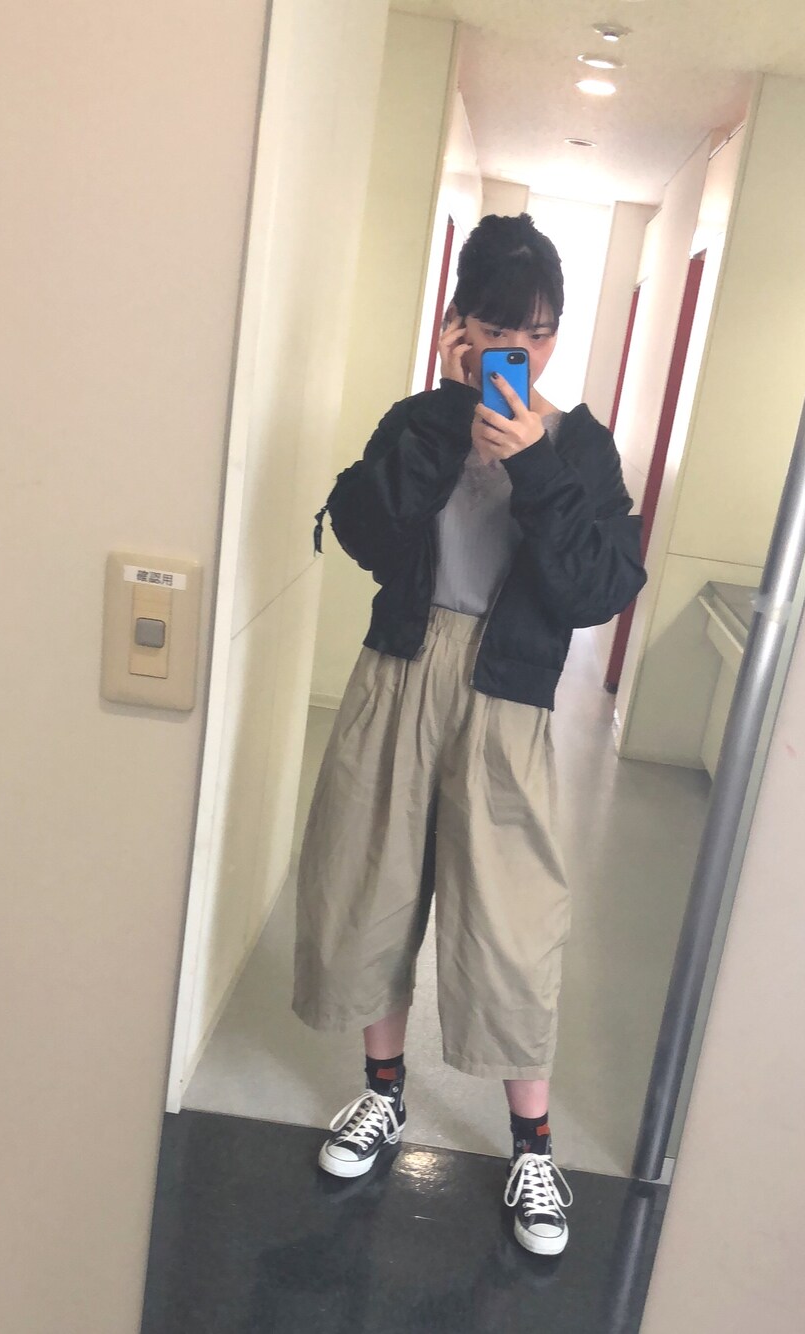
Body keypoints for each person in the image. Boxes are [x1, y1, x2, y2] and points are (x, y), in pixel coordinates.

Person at [294, 212, 646, 1255]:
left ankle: (533, 1146)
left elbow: (596, 587)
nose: (518, 354)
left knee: (513, 922)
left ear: (557, 334)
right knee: (368, 885)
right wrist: (448, 418)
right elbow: (364, 530)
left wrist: (534, 466)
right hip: (398, 672)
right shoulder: (422, 419)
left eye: (537, 334)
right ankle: (382, 1092)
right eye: (497, 331)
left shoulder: (580, 447)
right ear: (457, 325)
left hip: (509, 697)